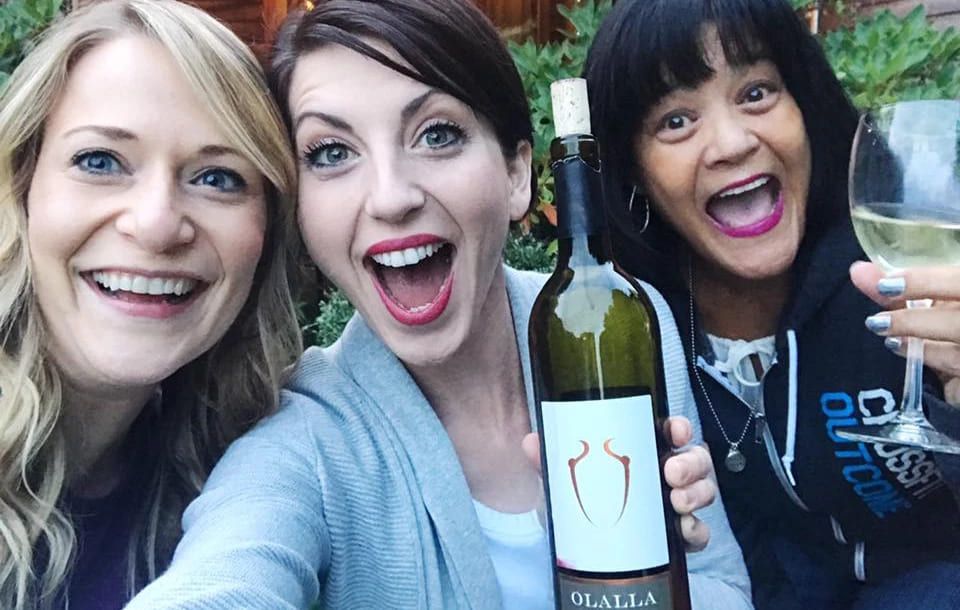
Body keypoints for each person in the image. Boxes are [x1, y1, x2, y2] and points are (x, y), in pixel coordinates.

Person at [126, 1, 753, 608]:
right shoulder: (306, 440)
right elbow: (227, 572)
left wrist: (668, 571)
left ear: (515, 175)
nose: (390, 197)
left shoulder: (624, 319)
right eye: (331, 153)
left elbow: (718, 574)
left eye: (437, 134)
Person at [583, 0, 960, 608]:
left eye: (757, 92)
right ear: (634, 172)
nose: (731, 143)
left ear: (804, 108)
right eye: (676, 121)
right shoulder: (637, 329)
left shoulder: (894, 273)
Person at [0, 1, 301, 608]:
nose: (158, 225)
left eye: (217, 177)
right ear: (22, 188)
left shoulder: (236, 467)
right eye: (100, 162)